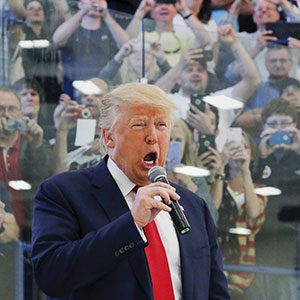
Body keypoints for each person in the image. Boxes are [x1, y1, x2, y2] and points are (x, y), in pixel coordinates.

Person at [31, 82, 230, 299]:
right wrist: (132, 224)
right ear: (109, 137)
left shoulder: (193, 205)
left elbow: (215, 291)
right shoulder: (63, 193)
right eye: (139, 125)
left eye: (161, 125)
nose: (153, 136)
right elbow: (51, 276)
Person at [156, 24, 260, 150]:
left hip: (215, 164)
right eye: (189, 70)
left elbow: (252, 81)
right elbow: (150, 96)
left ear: (207, 76)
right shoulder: (169, 100)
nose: (195, 73)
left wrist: (234, 44)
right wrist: (180, 65)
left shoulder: (219, 101)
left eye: (200, 70)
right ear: (178, 79)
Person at [215, 131, 267, 299]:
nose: (239, 151)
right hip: (216, 264)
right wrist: (221, 166)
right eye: (233, 146)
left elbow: (254, 213)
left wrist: (245, 171)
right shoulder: (217, 182)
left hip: (244, 270)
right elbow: (212, 210)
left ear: (252, 155)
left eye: (244, 147)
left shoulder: (259, 189)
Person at [0, 87, 51, 241]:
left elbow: (45, 184)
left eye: (12, 109)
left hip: (33, 233)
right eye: (1, 109)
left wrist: (36, 145)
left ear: (21, 115)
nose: (7, 115)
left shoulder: (33, 145)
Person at [52, 0, 129, 97]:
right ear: (80, 4)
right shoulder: (71, 29)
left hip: (106, 91)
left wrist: (106, 16)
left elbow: (125, 45)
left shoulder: (111, 30)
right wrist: (82, 12)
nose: (94, 2)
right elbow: (57, 39)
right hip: (76, 90)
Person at [126, 0, 211, 67]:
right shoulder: (144, 36)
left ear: (175, 10)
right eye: (157, 5)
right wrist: (141, 10)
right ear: (151, 13)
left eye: (168, 3)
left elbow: (205, 40)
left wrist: (184, 10)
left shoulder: (184, 37)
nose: (163, 7)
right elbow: (126, 41)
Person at [235, 46, 295, 138]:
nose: (278, 65)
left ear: (291, 63)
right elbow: (241, 121)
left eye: (283, 60)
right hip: (261, 143)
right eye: (273, 61)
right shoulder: (255, 89)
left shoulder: (297, 89)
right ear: (265, 64)